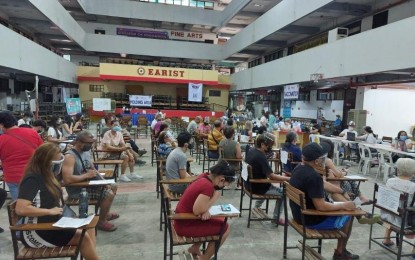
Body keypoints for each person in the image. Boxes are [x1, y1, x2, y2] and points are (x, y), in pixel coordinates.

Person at [15, 143, 99, 260]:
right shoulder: (32, 179)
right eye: (57, 162)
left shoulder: (48, 176)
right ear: (46, 162)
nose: (59, 166)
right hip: (37, 230)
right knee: (83, 237)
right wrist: (49, 211)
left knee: (89, 228)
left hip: (54, 225)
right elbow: (21, 208)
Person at [289, 142, 359, 260]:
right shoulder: (313, 176)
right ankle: (340, 252)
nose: (323, 161)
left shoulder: (299, 168)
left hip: (298, 214)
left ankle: (341, 251)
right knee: (349, 215)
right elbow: (321, 206)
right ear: (316, 161)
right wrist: (344, 205)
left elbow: (324, 184)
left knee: (342, 206)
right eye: (322, 159)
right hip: (310, 219)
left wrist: (341, 191)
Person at [174, 161, 235, 260]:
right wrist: (214, 198)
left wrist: (205, 209)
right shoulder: (207, 186)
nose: (222, 188)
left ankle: (195, 247)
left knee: (220, 219)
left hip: (182, 220)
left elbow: (200, 206)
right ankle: (205, 258)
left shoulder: (205, 176)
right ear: (221, 179)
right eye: (224, 185)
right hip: (185, 224)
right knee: (225, 228)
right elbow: (197, 211)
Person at [62, 131, 118, 232]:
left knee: (113, 186)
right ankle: (101, 221)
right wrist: (86, 175)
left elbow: (93, 169)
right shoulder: (70, 157)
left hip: (88, 184)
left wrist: (104, 182)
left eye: (91, 143)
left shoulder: (86, 152)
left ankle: (105, 214)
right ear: (77, 141)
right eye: (87, 143)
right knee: (108, 194)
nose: (89, 145)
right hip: (78, 190)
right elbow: (67, 179)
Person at [245, 132, 290, 224]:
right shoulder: (261, 156)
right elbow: (272, 176)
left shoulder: (252, 150)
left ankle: (256, 207)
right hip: (258, 187)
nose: (270, 148)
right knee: (284, 193)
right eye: (269, 146)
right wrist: (288, 179)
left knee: (268, 185)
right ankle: (276, 218)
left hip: (249, 184)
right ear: (262, 145)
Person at [0, 110, 43, 200]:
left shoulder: (2, 139)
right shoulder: (32, 133)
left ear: (2, 124)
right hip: (32, 174)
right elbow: (42, 152)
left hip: (12, 176)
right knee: (33, 202)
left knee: (19, 205)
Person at [381, 158, 415, 247]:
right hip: (404, 220)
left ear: (398, 169)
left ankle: (386, 239)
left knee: (394, 207)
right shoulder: (413, 186)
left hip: (387, 215)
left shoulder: (390, 181)